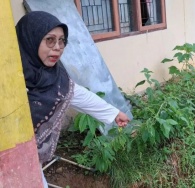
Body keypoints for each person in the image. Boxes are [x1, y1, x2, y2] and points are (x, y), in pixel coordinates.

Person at [15, 11, 130, 187]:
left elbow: (78, 94)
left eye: (62, 41)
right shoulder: (9, 81)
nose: (58, 47)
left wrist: (114, 113)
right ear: (30, 38)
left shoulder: (55, 77)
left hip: (32, 163)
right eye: (50, 40)